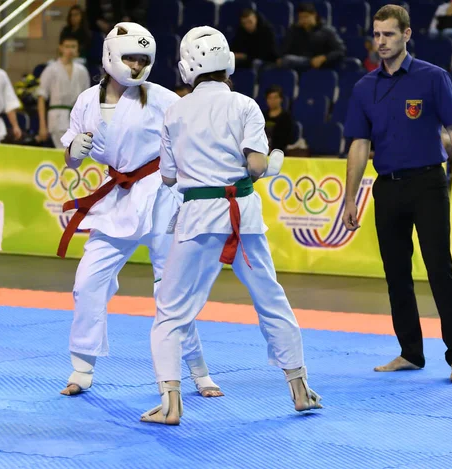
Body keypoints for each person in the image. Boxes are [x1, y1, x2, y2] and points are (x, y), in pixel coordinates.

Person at [140, 26, 322, 426]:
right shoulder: (245, 105)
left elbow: (169, 177)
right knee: (270, 298)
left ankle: (170, 402)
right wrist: (271, 160)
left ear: (187, 68)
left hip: (198, 219)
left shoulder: (175, 111)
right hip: (243, 215)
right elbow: (256, 167)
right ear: (229, 62)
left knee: (171, 311)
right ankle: (300, 387)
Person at [58, 22, 222, 399]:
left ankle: (198, 371)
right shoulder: (86, 101)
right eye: (130, 57)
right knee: (87, 282)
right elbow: (70, 158)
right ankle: (82, 367)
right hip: (117, 200)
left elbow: (198, 135)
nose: (135, 65)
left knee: (172, 291)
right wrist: (74, 152)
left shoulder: (162, 98)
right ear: (111, 56)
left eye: (143, 59)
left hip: (163, 197)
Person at [342, 5, 452, 383]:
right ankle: (410, 352)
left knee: (440, 270)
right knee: (396, 275)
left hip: (428, 184)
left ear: (407, 35)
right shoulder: (363, 87)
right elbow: (359, 145)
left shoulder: (432, 78)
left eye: (388, 34)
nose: (381, 41)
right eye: (376, 34)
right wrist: (349, 198)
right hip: (387, 188)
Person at [37, 33, 90, 148]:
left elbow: (88, 99)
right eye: (67, 46)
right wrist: (42, 125)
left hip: (77, 117)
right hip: (57, 117)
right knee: (64, 152)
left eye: (73, 46)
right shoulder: (51, 69)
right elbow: (41, 97)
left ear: (77, 49)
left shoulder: (82, 71)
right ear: (60, 48)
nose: (70, 50)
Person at [278, 2, 346, 71]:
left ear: (314, 15)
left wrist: (324, 57)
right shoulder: (293, 31)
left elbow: (340, 51)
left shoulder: (327, 31)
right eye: (300, 17)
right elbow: (283, 51)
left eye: (306, 17)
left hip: (321, 67)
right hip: (297, 66)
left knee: (288, 60)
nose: (303, 20)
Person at [263, 85, 295, 153]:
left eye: (275, 98)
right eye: (270, 98)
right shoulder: (262, 116)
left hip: (279, 152)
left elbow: (286, 139)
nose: (272, 100)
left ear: (281, 99)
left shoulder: (286, 117)